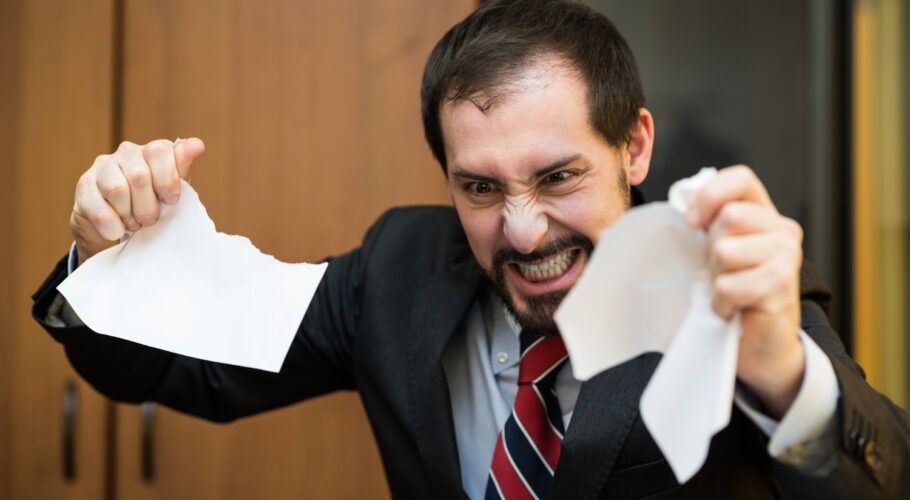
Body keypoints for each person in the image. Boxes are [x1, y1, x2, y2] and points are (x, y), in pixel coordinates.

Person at [33, 1, 909, 498]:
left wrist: (786, 383)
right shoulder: (396, 268)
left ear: (633, 148)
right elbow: (184, 370)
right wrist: (106, 257)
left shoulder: (729, 281)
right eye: (481, 189)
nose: (522, 233)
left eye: (559, 176)